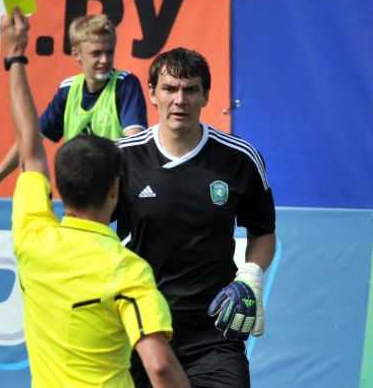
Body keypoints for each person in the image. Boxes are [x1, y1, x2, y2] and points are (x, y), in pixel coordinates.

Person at [1, 8, 190, 388]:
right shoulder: (128, 270)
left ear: (58, 187)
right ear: (115, 189)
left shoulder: (31, 237)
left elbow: (31, 151)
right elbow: (159, 367)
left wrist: (15, 56)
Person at [115, 47, 276, 387]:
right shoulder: (122, 158)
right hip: (140, 328)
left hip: (213, 332)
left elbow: (263, 231)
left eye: (190, 89)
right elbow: (91, 228)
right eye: (169, 89)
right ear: (152, 93)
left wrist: (251, 276)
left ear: (205, 96)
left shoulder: (239, 159)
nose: (180, 100)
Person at [0, 13, 147, 209]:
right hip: (81, 202)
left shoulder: (126, 84)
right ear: (76, 54)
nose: (105, 60)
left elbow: (134, 146)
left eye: (110, 52)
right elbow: (28, 142)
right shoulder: (68, 90)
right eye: (96, 53)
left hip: (120, 202)